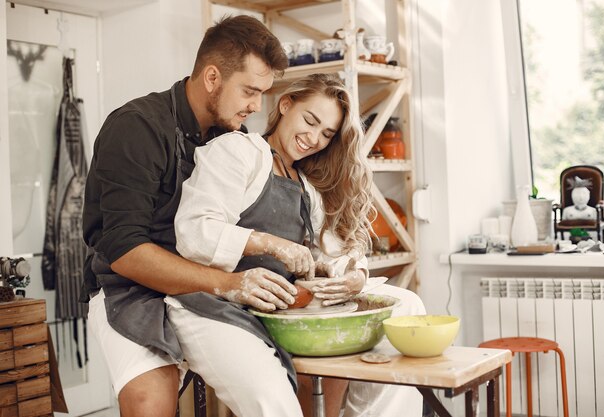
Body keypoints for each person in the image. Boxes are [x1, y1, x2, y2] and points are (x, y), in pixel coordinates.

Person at [173, 73, 426, 417]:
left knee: (406, 306)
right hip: (219, 301)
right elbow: (193, 231)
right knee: (274, 400)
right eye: (310, 120)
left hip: (275, 305)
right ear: (286, 104)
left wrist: (353, 274)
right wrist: (270, 244)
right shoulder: (239, 151)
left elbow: (333, 250)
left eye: (326, 134)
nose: (313, 138)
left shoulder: (305, 184)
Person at [81, 15, 293, 417]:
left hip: (203, 289)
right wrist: (228, 284)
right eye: (249, 90)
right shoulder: (137, 128)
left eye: (263, 93)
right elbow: (125, 250)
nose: (256, 106)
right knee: (150, 401)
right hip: (129, 289)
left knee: (273, 384)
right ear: (212, 77)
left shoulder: (234, 138)